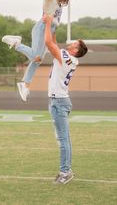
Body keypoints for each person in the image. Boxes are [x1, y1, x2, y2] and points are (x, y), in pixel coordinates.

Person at [2, 0, 73, 102]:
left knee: (37, 60)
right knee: (35, 57)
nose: (66, 0)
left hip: (50, 30)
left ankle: (25, 84)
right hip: (42, 28)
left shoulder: (58, 2)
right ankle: (16, 44)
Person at [44, 14, 88, 185]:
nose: (70, 44)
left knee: (62, 140)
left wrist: (48, 24)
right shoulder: (67, 57)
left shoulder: (68, 58)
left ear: (76, 51)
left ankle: (65, 171)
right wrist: (53, 26)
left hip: (59, 102)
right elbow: (54, 43)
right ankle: (66, 170)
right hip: (59, 101)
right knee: (65, 139)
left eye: (74, 44)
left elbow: (49, 44)